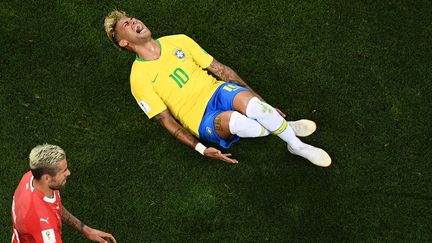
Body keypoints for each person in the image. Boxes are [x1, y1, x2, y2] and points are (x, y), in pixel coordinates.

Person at [103, 10, 331, 167]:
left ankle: (297, 146)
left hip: (217, 91)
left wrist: (264, 102)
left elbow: (221, 71)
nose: (134, 21)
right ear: (124, 42)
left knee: (258, 109)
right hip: (200, 118)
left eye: (132, 18)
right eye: (126, 24)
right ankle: (282, 127)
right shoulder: (138, 79)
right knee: (240, 124)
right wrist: (201, 149)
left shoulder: (178, 40)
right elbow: (166, 121)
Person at [11, 144, 117, 243]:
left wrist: (85, 229)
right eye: (64, 171)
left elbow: (56, 206)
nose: (68, 173)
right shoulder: (45, 226)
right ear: (47, 178)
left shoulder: (31, 177)